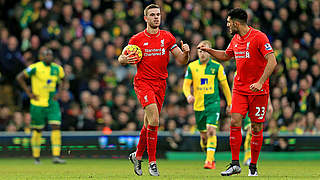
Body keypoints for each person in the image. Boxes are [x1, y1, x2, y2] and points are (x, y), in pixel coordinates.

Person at [199, 8, 277, 176]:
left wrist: (260, 82)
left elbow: (272, 61)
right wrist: (209, 51)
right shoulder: (235, 39)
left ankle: (253, 167)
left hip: (258, 90)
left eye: (228, 22)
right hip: (240, 88)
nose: (227, 25)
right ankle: (235, 164)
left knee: (256, 127)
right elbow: (227, 55)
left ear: (236, 23)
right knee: (235, 121)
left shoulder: (259, 37)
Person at [118, 4, 190, 176]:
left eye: (158, 14)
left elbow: (181, 60)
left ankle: (137, 155)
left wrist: (187, 53)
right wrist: (124, 60)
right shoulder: (136, 39)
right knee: (155, 120)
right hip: (143, 83)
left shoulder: (167, 37)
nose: (156, 17)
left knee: (148, 123)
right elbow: (121, 57)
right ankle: (152, 162)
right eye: (152, 15)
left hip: (160, 84)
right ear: (146, 18)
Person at [183, 40, 232, 169]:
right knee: (204, 137)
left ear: (209, 52)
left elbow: (225, 86)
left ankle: (209, 161)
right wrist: (188, 95)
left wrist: (229, 103)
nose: (202, 54)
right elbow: (186, 85)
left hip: (213, 103)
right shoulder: (192, 67)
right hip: (198, 106)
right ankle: (210, 157)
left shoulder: (217, 67)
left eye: (204, 51)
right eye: (200, 51)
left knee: (211, 130)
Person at [16, 48, 66, 164]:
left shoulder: (57, 68)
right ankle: (36, 157)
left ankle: (56, 156)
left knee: (56, 126)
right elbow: (19, 77)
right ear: (41, 56)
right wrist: (29, 93)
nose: (48, 56)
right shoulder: (35, 67)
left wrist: (59, 93)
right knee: (38, 129)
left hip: (52, 102)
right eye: (46, 55)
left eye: (50, 54)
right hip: (37, 103)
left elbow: (64, 79)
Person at [242, 96, 273, 166]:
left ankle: (253, 158)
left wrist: (269, 104)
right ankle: (247, 157)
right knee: (250, 130)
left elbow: (266, 88)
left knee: (256, 130)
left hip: (258, 104)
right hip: (247, 105)